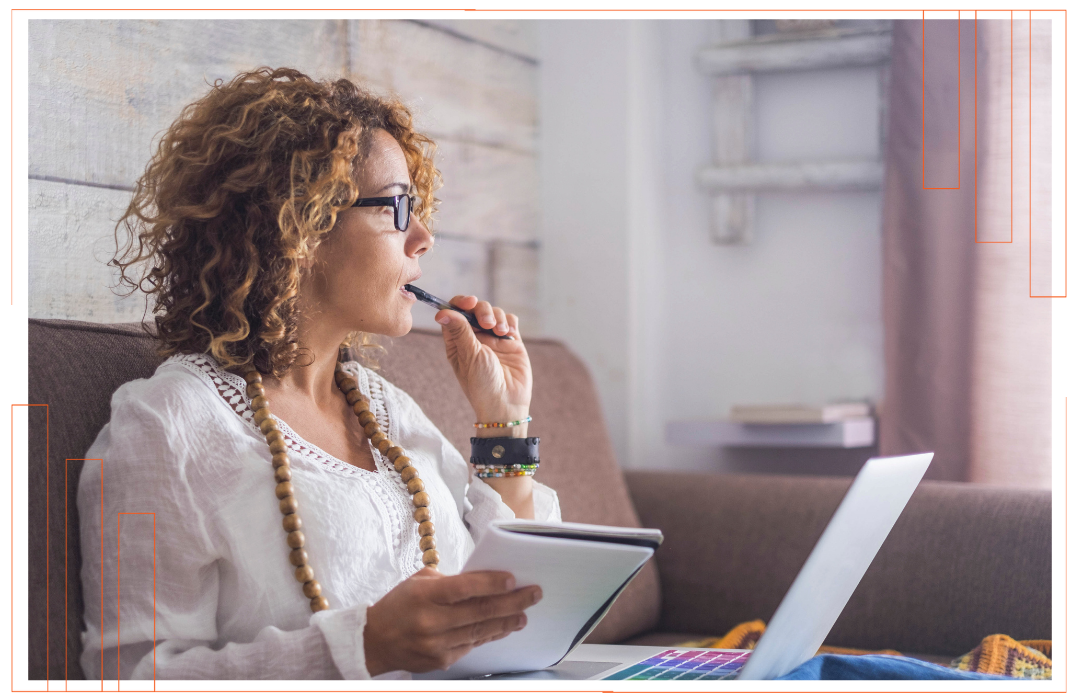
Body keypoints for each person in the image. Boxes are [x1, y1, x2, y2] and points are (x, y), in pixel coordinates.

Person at [77, 66, 558, 681]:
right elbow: (126, 677)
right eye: (398, 208)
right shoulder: (167, 425)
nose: (424, 238)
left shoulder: (386, 409)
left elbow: (507, 599)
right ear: (299, 226)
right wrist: (363, 648)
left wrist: (506, 420)